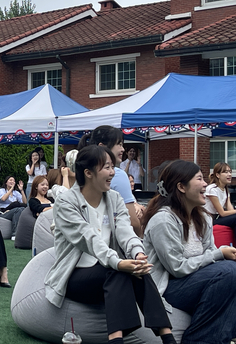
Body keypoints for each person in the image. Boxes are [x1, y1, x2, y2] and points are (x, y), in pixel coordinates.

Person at [45, 145, 175, 344]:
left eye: (113, 167)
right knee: (117, 271)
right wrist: (118, 262)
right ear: (88, 173)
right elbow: (88, 239)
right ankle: (116, 340)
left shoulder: (114, 198)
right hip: (75, 274)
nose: (113, 172)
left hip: (107, 269)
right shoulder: (66, 202)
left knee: (138, 269)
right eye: (106, 167)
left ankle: (167, 338)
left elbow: (125, 232)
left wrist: (138, 253)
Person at [142, 160, 236, 344]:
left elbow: (210, 252)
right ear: (181, 187)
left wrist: (221, 255)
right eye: (200, 178)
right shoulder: (163, 220)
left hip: (195, 281)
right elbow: (176, 268)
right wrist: (220, 254)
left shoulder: (202, 218)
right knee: (228, 272)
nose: (205, 184)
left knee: (231, 271)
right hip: (169, 286)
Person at [79, 125, 142, 237]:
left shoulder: (80, 170)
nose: (123, 149)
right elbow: (132, 222)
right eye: (119, 144)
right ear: (102, 147)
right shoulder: (118, 175)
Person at [203, 162, 236, 231]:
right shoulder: (212, 189)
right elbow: (222, 213)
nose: (229, 174)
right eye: (226, 172)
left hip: (216, 218)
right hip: (208, 220)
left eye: (230, 172)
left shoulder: (226, 190)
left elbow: (231, 211)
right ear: (218, 175)